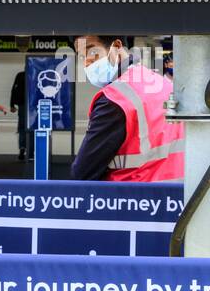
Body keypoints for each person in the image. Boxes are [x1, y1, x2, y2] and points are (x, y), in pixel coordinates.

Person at [70, 34, 184, 182]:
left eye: (92, 52)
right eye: (82, 57)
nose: (86, 62)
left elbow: (82, 172)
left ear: (117, 47)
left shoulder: (114, 99)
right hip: (178, 195)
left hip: (130, 198)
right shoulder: (164, 84)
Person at [10, 67, 29, 162]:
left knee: (22, 128)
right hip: (32, 105)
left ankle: (22, 149)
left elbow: (13, 89)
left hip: (23, 105)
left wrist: (12, 104)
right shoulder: (34, 74)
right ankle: (30, 151)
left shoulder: (20, 75)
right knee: (31, 128)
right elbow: (14, 89)